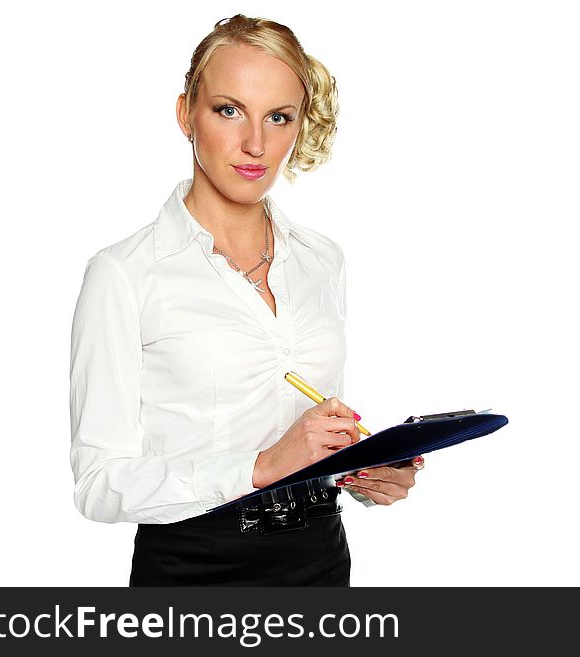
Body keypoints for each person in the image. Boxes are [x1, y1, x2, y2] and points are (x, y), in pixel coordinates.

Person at [69, 14, 424, 586]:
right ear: (186, 113)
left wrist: (359, 472)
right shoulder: (124, 275)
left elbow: (313, 432)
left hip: (320, 560)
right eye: (228, 110)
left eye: (278, 118)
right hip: (196, 569)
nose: (256, 144)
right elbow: (99, 484)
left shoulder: (321, 260)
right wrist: (259, 468)